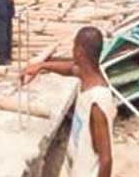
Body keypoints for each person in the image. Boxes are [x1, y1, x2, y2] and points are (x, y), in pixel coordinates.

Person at [21, 27, 116, 177]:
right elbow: (70, 69)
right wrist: (41, 66)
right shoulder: (87, 77)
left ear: (80, 51)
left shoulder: (97, 102)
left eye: (73, 46)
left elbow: (106, 159)